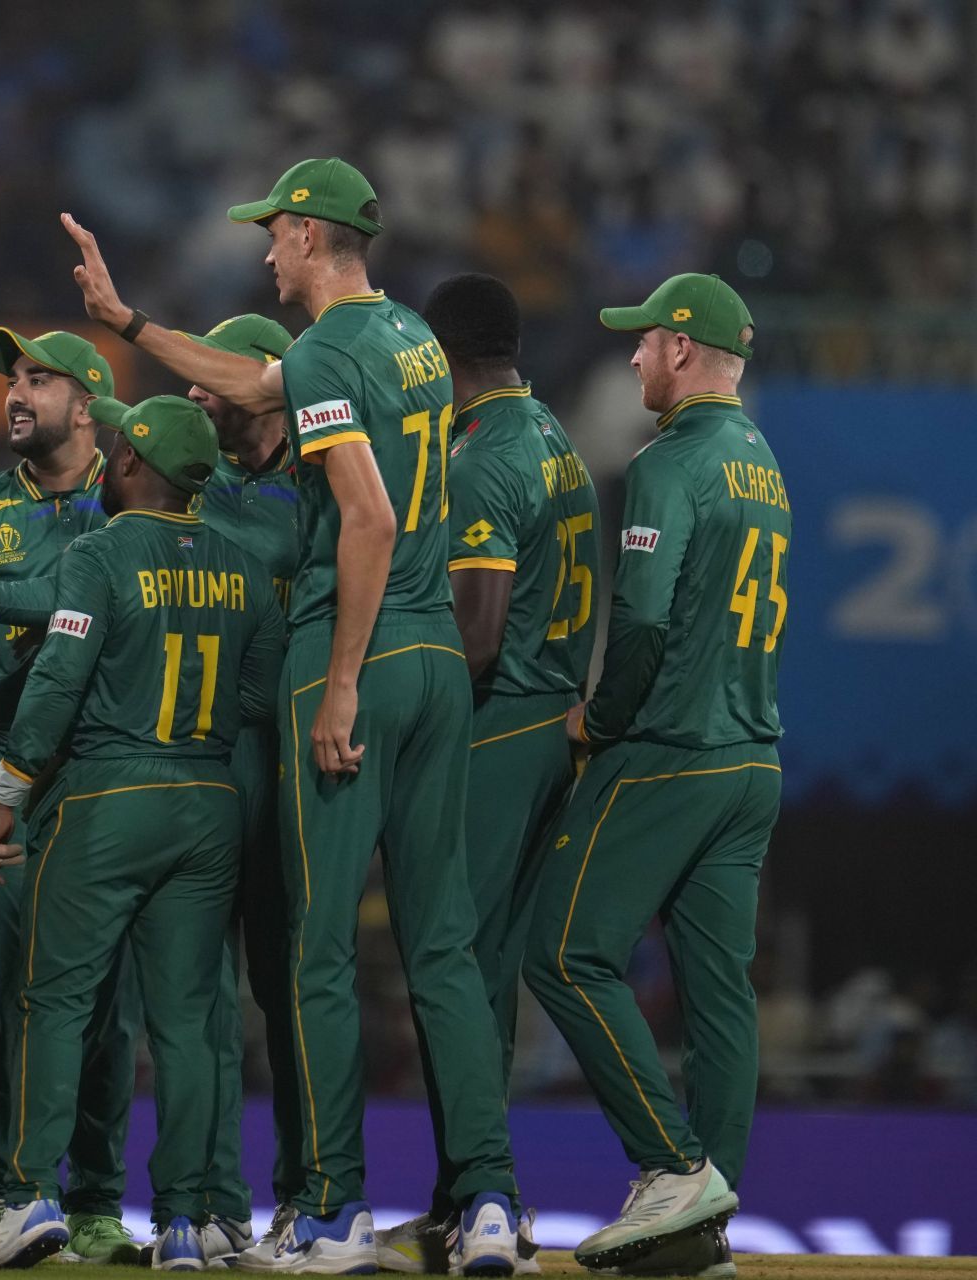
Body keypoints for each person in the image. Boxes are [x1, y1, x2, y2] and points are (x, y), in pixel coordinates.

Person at [61, 157, 521, 1275]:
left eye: (273, 232)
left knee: (314, 951)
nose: (264, 249)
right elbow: (256, 387)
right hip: (436, 661)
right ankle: (491, 1205)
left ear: (311, 235)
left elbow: (360, 517)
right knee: (444, 945)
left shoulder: (321, 351)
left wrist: (344, 677)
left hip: (353, 644)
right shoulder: (409, 336)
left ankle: (331, 1209)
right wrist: (128, 324)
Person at [0, 393, 283, 1272]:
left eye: (119, 450)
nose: (108, 460)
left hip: (111, 794)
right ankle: (183, 1222)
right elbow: (260, 695)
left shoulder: (99, 553)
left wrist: (9, 789)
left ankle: (32, 1195)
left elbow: (59, 681)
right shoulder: (247, 566)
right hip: (209, 796)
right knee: (188, 1022)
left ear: (138, 465)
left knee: (57, 1001)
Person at [523, 274, 785, 1278]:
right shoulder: (763, 462)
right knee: (721, 998)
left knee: (562, 950)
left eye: (642, 343)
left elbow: (640, 619)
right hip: (752, 758)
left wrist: (608, 714)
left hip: (671, 750)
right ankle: (701, 1234)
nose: (631, 358)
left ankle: (671, 1168)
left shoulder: (673, 460)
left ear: (681, 347)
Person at [372, 273, 602, 1276]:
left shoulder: (481, 459)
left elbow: (475, 632)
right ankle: (459, 1200)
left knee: (442, 963)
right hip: (555, 723)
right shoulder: (554, 438)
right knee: (486, 976)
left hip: (500, 725)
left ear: (441, 352)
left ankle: (491, 1196)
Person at [0, 328, 142, 1263]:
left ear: (88, 403)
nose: (17, 393)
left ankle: (93, 1196)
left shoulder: (136, 506)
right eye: (13, 379)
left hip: (104, 766)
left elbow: (67, 596)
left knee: (99, 998)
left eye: (41, 379)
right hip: (1, 758)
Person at [184, 313, 299, 1264]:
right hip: (193, 759)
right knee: (199, 993)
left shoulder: (321, 491)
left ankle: (308, 1194)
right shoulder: (190, 483)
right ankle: (216, 1200)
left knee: (296, 987)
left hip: (290, 756)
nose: (191, 394)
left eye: (211, 382)